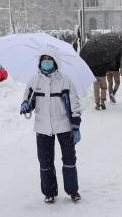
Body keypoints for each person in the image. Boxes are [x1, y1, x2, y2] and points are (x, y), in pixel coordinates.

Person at [19, 54, 82, 204]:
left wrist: (75, 126)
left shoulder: (65, 81)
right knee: (45, 162)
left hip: (64, 126)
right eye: (43, 60)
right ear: (40, 62)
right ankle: (49, 192)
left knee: (69, 159)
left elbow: (74, 103)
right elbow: (28, 100)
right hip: (42, 127)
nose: (46, 62)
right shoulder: (35, 81)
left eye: (49, 60)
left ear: (54, 61)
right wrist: (26, 105)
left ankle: (73, 191)